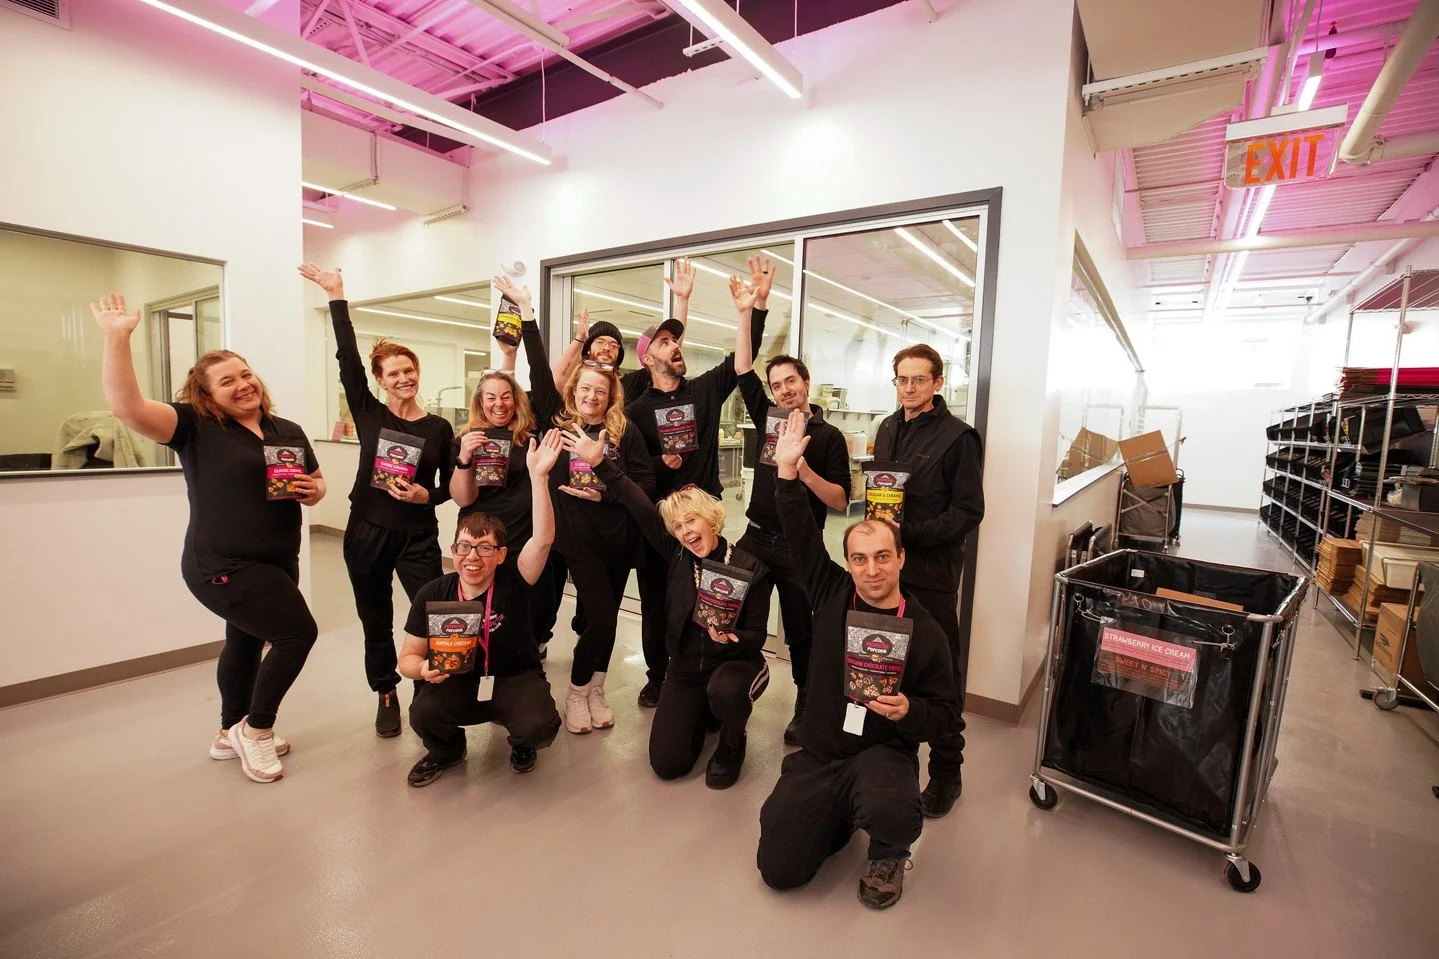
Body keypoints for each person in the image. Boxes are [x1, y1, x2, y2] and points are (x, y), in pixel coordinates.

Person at [91, 292, 326, 784]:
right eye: (227, 381)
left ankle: (227, 732)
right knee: (297, 634)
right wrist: (117, 337)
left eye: (245, 374)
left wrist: (313, 490)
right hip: (222, 563)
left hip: (279, 559)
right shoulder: (195, 426)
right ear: (207, 394)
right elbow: (126, 407)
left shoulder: (287, 429)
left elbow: (317, 482)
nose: (243, 385)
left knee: (245, 641)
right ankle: (256, 730)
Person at [756, 411, 959, 910]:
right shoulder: (830, 593)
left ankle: (888, 851)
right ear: (847, 563)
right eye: (860, 559)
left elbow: (947, 716)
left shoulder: (926, 632)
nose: (872, 570)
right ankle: (838, 814)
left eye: (883, 557)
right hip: (821, 752)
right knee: (779, 871)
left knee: (893, 806)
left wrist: (909, 710)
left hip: (881, 755)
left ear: (901, 558)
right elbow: (800, 532)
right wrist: (788, 473)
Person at [299, 264, 455, 739]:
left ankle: (428, 689)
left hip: (417, 535)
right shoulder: (368, 412)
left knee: (428, 615)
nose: (403, 378)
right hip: (366, 529)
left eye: (409, 370)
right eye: (393, 373)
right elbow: (347, 358)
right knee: (375, 617)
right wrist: (336, 296)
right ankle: (385, 690)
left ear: (416, 373)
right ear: (381, 380)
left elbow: (453, 485)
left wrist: (429, 493)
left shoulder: (439, 429)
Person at [570, 427, 772, 789]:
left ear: (711, 518)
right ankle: (706, 712)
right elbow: (638, 505)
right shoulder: (677, 554)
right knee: (667, 764)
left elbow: (756, 636)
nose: (685, 531)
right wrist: (600, 463)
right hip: (685, 667)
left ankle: (732, 739)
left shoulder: (750, 567)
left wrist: (732, 638)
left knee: (726, 690)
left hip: (733, 663)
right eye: (677, 526)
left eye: (691, 521)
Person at [624, 256, 769, 708]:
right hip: (659, 525)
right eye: (666, 342)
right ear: (648, 357)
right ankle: (657, 675)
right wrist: (659, 460)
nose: (676, 346)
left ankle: (711, 666)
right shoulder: (634, 409)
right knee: (657, 601)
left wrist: (754, 309)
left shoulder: (703, 391)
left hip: (703, 521)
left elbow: (743, 360)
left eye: (677, 340)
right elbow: (628, 466)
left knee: (711, 597)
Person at [398, 431, 566, 787]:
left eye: (485, 549)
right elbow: (408, 658)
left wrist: (539, 477)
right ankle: (446, 751)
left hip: (513, 678)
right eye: (464, 547)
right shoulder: (433, 593)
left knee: (539, 725)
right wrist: (424, 669)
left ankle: (522, 744)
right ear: (454, 549)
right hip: (458, 681)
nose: (472, 558)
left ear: (502, 555)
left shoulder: (516, 578)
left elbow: (544, 539)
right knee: (423, 713)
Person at [523, 300, 656, 736]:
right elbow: (539, 371)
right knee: (599, 618)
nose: (593, 396)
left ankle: (597, 688)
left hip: (618, 538)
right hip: (578, 540)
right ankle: (577, 692)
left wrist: (604, 494)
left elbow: (645, 486)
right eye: (586, 389)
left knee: (609, 619)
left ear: (611, 395)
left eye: (601, 390)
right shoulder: (558, 429)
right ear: (574, 391)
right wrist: (527, 315)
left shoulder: (624, 431)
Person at [734, 279, 851, 744]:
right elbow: (742, 367)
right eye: (776, 384)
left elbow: (841, 500)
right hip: (755, 536)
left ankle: (805, 700)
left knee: (802, 632)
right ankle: (733, 687)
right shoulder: (767, 419)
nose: (783, 390)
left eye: (790, 382)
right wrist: (747, 312)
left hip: (800, 548)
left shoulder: (828, 437)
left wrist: (802, 472)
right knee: (736, 612)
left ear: (806, 384)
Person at [871, 344, 984, 819]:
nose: (910, 387)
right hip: (887, 572)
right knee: (888, 667)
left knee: (939, 677)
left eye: (919, 379)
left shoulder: (959, 438)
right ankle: (890, 761)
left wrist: (909, 535)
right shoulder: (887, 428)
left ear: (938, 383)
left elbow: (967, 512)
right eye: (902, 379)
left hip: (932, 577)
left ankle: (945, 773)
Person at [450, 276, 564, 661]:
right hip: (481, 539)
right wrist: (464, 458)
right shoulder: (467, 437)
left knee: (532, 612)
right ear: (479, 403)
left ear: (515, 401)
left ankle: (527, 667)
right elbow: (462, 498)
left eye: (505, 398)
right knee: (483, 611)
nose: (499, 405)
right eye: (490, 399)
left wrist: (526, 312)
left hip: (526, 538)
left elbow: (541, 379)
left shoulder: (530, 433)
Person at [552, 258, 697, 404]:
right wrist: (580, 339)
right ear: (588, 349)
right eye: (600, 342)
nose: (606, 348)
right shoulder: (579, 382)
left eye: (613, 345)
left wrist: (682, 300)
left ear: (619, 354)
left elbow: (671, 350)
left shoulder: (629, 384)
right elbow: (557, 383)